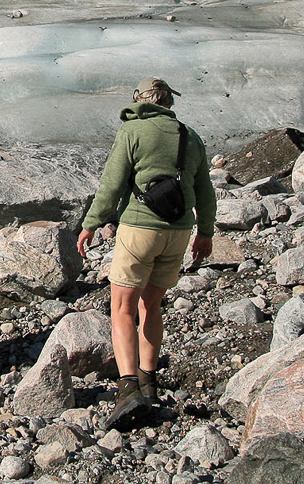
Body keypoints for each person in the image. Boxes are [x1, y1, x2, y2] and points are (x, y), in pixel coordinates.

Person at [76, 77, 217, 426]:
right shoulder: (190, 136)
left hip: (140, 228)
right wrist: (206, 233)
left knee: (122, 306)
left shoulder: (132, 132)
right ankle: (148, 381)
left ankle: (127, 390)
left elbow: (112, 184)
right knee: (151, 304)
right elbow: (206, 191)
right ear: (169, 101)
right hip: (179, 232)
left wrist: (91, 223)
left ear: (140, 101)